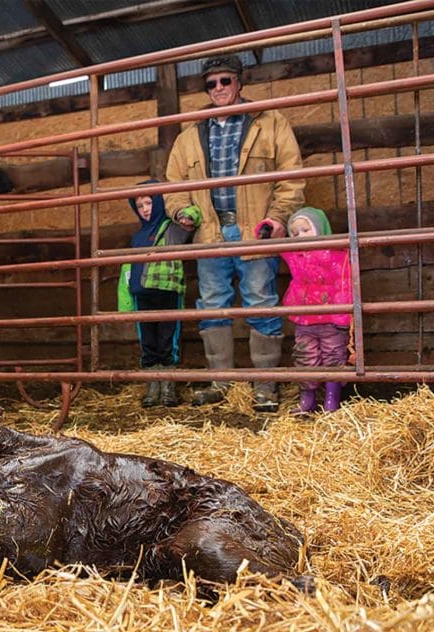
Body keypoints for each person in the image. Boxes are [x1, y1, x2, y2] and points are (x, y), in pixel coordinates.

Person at [165, 54, 304, 412]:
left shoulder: (271, 122)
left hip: (254, 229)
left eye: (225, 81)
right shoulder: (189, 136)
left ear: (240, 82)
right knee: (212, 306)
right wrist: (182, 210)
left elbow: (290, 176)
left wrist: (277, 218)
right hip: (209, 232)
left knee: (260, 300)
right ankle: (220, 382)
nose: (219, 89)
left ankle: (265, 386)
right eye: (211, 84)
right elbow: (174, 185)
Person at [261, 207, 351, 414]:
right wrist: (268, 228)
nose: (300, 236)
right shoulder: (296, 254)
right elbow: (277, 243)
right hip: (304, 320)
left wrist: (342, 317)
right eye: (295, 233)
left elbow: (344, 284)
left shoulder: (336, 254)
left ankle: (332, 401)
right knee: (305, 358)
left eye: (305, 230)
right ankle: (307, 401)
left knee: (333, 358)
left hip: (331, 320)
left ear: (320, 229)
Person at [121, 180, 188, 408]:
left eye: (149, 202)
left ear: (160, 202)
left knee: (168, 338)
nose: (145, 209)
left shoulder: (172, 228)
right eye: (139, 206)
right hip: (143, 294)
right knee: (148, 340)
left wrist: (185, 214)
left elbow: (192, 220)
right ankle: (152, 387)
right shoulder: (138, 236)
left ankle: (168, 387)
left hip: (167, 291)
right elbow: (129, 269)